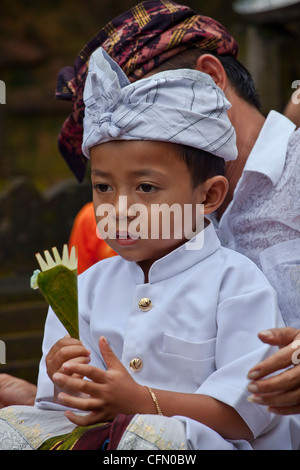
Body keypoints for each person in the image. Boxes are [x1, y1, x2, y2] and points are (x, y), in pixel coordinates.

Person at [1, 0, 300, 416]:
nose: (121, 208)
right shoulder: (136, 247)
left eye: (147, 104)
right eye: (103, 184)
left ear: (209, 80)